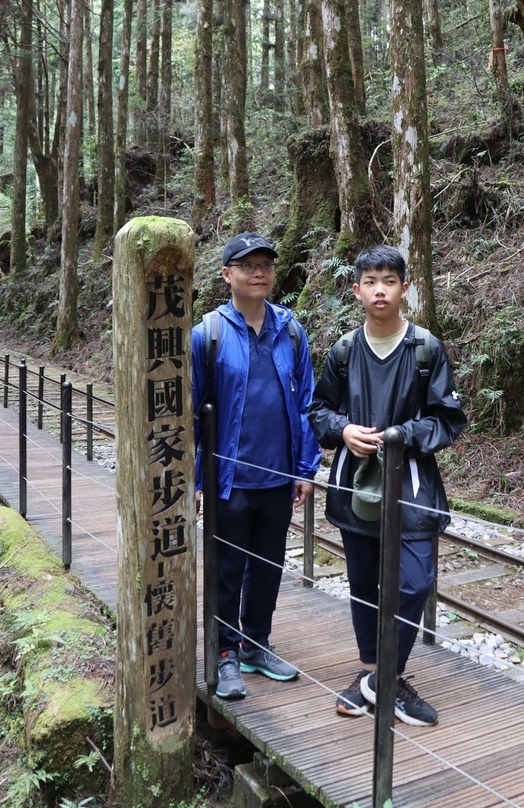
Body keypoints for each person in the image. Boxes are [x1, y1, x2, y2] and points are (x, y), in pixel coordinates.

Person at [308, 245, 467, 725]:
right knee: (363, 583)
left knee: (416, 579)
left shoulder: (425, 349)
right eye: (371, 281)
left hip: (412, 484)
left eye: (390, 281)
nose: (381, 290)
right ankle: (374, 672)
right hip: (355, 486)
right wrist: (344, 430)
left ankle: (381, 681)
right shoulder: (343, 350)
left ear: (404, 288)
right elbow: (318, 411)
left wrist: (403, 436)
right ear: (356, 290)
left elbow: (447, 418)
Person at [192, 231, 321, 700]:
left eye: (265, 263)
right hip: (228, 478)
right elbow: (190, 410)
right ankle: (224, 652)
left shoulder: (290, 330)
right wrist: (196, 479)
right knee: (226, 568)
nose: (259, 271)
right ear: (227, 275)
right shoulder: (208, 334)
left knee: (268, 565)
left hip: (278, 475)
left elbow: (308, 402)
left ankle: (256, 643)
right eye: (247, 265)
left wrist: (306, 468)